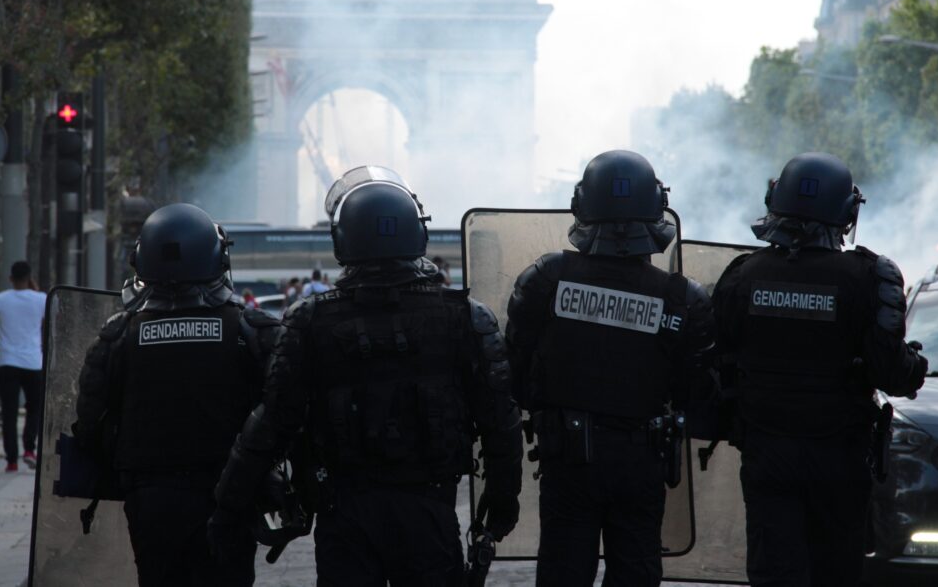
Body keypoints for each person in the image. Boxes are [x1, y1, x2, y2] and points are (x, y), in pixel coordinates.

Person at [209, 166, 523, 585]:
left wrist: (229, 502)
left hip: (345, 516)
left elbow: (273, 421)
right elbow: (500, 419)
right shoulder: (465, 317)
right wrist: (503, 499)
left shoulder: (309, 320)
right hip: (429, 510)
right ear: (418, 233)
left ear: (343, 241)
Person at [711, 152, 927, 587]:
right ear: (847, 212)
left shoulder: (743, 275)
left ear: (776, 200)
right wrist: (916, 365)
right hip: (838, 455)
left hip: (767, 451)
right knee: (835, 570)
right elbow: (892, 374)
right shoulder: (871, 277)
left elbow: (715, 361)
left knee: (775, 572)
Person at [505, 150, 715, 587]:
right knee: (636, 572)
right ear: (656, 208)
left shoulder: (546, 278)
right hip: (641, 461)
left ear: (582, 205)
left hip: (569, 459)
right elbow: (693, 391)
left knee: (563, 571)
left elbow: (516, 372)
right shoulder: (684, 299)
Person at [72, 203, 281, 587]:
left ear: (141, 258)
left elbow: (89, 421)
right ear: (218, 257)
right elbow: (282, 412)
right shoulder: (252, 329)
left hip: (150, 497)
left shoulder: (118, 334)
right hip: (230, 493)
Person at [0, 261, 46, 473]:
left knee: (8, 412)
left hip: (8, 362)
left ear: (10, 278)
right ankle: (29, 449)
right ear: (29, 277)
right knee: (34, 408)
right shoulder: (42, 299)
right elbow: (50, 326)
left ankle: (12, 460)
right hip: (33, 362)